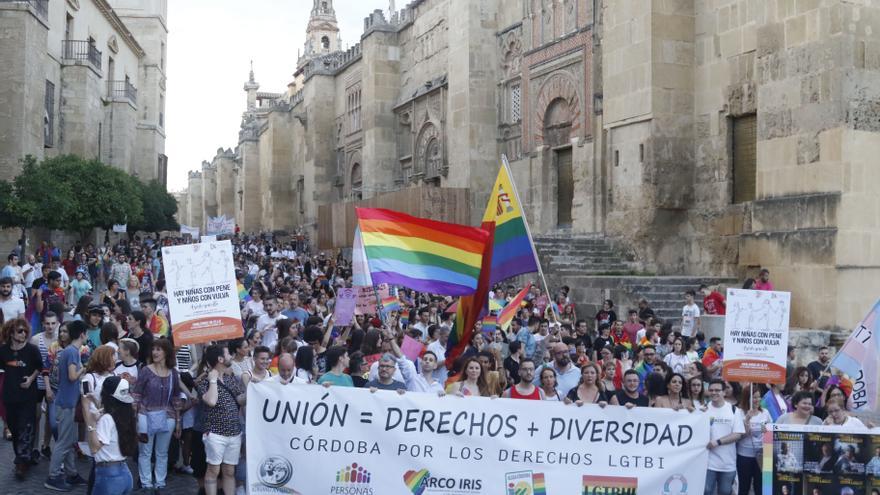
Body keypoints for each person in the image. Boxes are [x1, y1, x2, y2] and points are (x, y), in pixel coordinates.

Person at [133, 337, 182, 493]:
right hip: (145, 414)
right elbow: (137, 394)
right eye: (153, 349)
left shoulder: (173, 373)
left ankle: (160, 482)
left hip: (167, 416)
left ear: (166, 352)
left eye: (159, 349)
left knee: (162, 452)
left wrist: (178, 420)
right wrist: (134, 417)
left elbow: (176, 396)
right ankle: (146, 483)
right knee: (145, 451)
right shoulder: (146, 371)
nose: (155, 352)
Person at [44, 319, 88, 492]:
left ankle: (71, 473)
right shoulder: (72, 352)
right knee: (63, 442)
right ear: (82, 334)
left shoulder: (70, 351)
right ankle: (53, 476)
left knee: (69, 440)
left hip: (67, 401)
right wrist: (83, 369)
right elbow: (71, 376)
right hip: (66, 403)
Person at [198, 344, 246, 495]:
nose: (231, 356)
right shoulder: (204, 382)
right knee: (213, 470)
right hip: (215, 433)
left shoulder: (230, 379)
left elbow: (240, 400)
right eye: (227, 354)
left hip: (234, 433)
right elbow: (211, 401)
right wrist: (212, 380)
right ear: (220, 359)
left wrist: (251, 389)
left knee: (229, 471)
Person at [0, 319, 43, 479]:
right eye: (19, 331)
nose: (23, 334)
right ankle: (23, 456)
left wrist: (31, 379)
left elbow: (40, 367)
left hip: (28, 397)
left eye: (25, 331)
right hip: (10, 397)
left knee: (26, 428)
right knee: (15, 430)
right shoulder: (3, 351)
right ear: (11, 333)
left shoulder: (32, 350)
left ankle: (21, 463)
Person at [81, 375, 137, 495]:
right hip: (125, 474)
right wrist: (95, 401)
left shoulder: (107, 419)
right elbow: (108, 411)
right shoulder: (126, 414)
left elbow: (94, 448)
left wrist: (91, 424)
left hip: (108, 477)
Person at [704, 379, 745, 495]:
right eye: (711, 390)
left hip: (727, 463)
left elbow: (738, 434)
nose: (714, 393)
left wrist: (718, 442)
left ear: (724, 392)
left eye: (717, 390)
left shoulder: (734, 410)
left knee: (725, 492)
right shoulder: (704, 409)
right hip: (708, 462)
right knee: (706, 491)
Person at [736, 385, 771, 495]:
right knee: (743, 487)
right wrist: (747, 419)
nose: (757, 400)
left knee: (761, 488)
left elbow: (770, 432)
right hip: (744, 455)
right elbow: (739, 436)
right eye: (754, 397)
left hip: (763, 455)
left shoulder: (765, 412)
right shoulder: (739, 412)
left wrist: (766, 431)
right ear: (747, 398)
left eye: (759, 397)